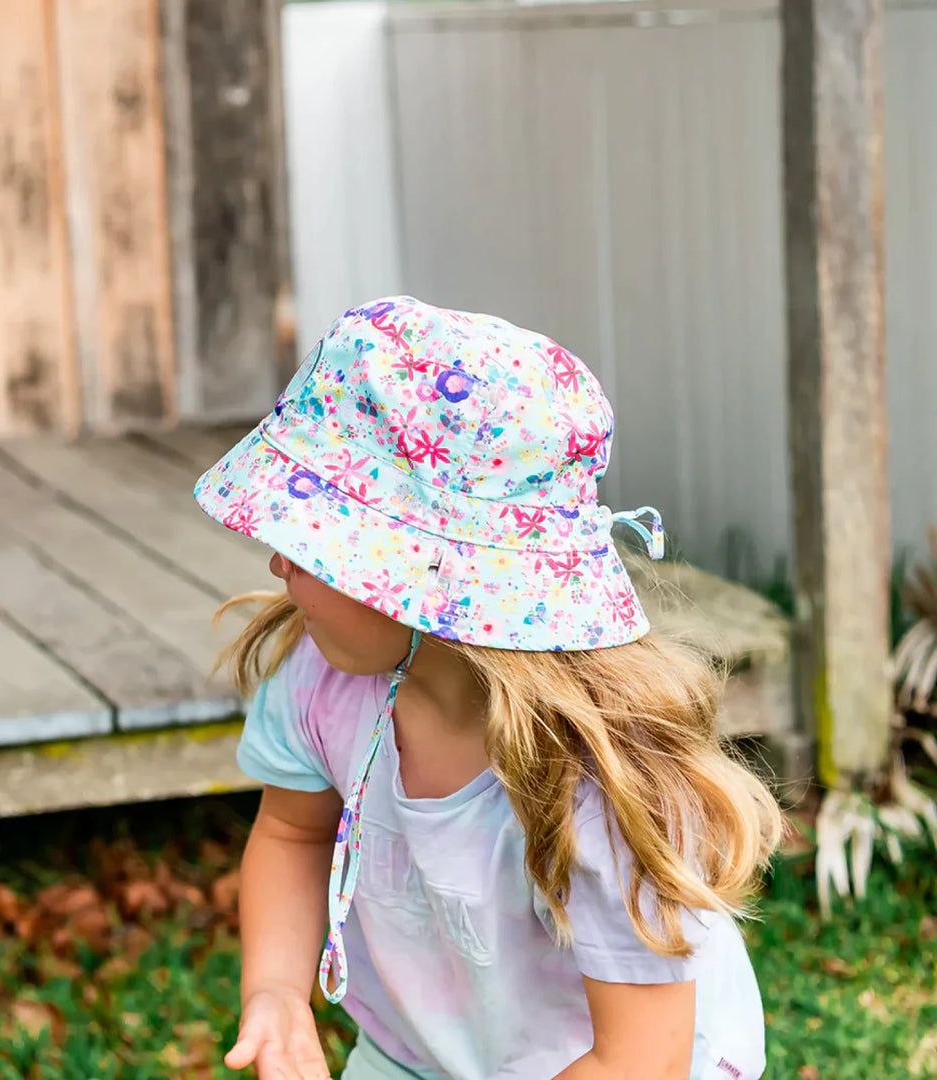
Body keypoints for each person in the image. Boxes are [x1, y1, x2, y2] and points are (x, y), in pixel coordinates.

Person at [194, 297, 783, 1080]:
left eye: (310, 540)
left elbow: (639, 1060)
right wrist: (274, 991)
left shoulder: (598, 782)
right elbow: (293, 836)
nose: (278, 561)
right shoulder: (323, 680)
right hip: (423, 1054)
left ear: (420, 578)